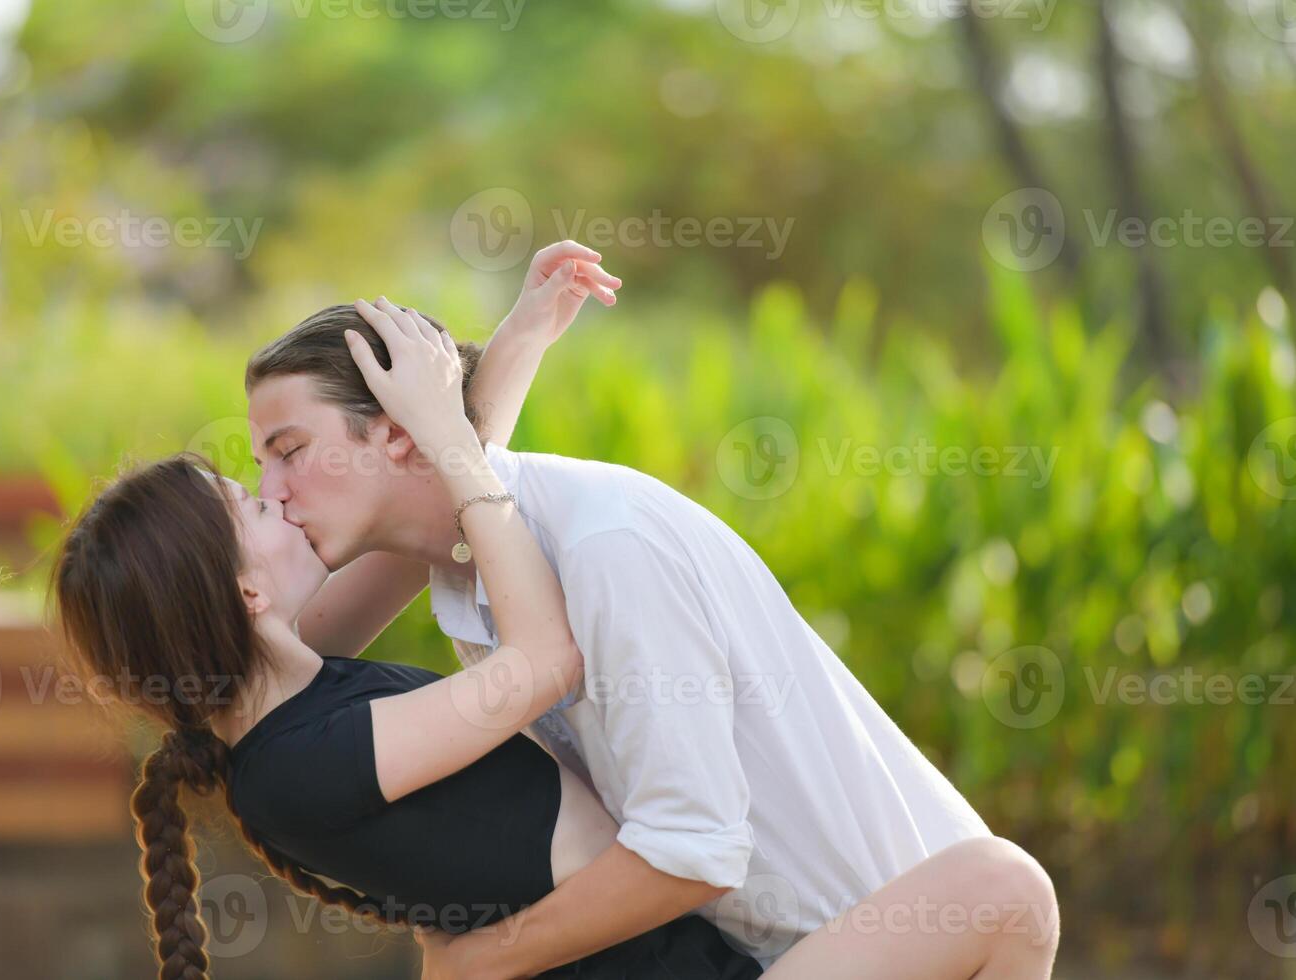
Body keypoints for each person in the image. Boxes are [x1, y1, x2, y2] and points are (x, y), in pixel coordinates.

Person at [245, 268, 1062, 979]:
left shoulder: (604, 547)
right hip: (748, 957)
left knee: (1008, 886)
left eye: (287, 450)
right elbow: (274, 658)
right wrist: (489, 380)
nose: (272, 491)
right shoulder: (467, 568)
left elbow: (692, 852)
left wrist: (484, 961)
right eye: (257, 469)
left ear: (392, 433)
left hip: (887, 945)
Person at [52, 244, 762, 978]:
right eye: (257, 503)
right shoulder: (294, 763)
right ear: (245, 592)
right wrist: (445, 435)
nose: (282, 494)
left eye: (278, 466)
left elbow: (437, 509)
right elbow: (545, 660)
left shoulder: (282, 687)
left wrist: (520, 340)